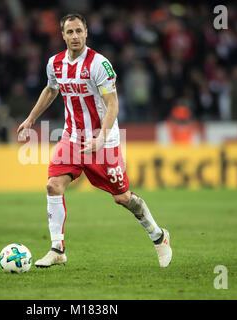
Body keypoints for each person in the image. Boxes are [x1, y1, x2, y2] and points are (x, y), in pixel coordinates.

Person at [17, 13, 172, 268]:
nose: (75, 36)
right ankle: (57, 249)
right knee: (53, 186)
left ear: (86, 32)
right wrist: (31, 118)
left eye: (79, 31)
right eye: (70, 32)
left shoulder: (99, 64)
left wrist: (101, 138)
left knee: (122, 198)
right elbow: (51, 90)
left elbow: (113, 104)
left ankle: (158, 236)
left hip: (104, 141)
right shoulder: (54, 63)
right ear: (62, 35)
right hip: (71, 137)